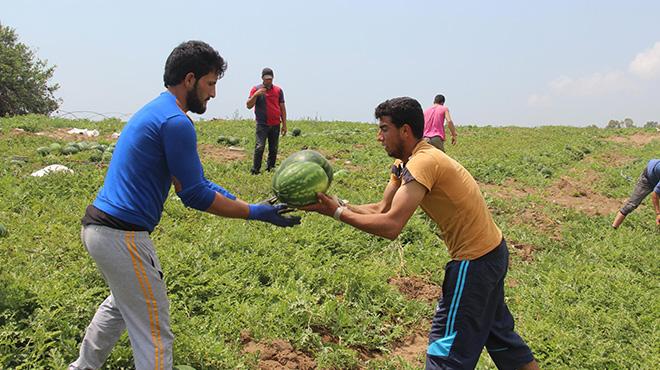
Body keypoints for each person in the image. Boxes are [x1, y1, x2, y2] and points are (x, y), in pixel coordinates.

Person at [69, 41, 300, 370]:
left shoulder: (156, 110)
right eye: (211, 84)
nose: (214, 94)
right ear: (190, 79)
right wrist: (254, 213)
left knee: (120, 305)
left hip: (100, 230)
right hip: (123, 237)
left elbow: (193, 183)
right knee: (154, 333)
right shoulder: (175, 122)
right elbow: (194, 196)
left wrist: (247, 203)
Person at [303, 97, 540, 370]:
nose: (379, 137)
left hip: (474, 263)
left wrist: (336, 213)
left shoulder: (423, 163)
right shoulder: (405, 164)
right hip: (492, 253)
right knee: (503, 342)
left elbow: (391, 225)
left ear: (405, 131)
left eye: (384, 129)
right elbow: (382, 208)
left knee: (444, 354)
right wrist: (339, 204)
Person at [246, 67, 287, 174]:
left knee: (273, 148)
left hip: (275, 124)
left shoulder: (278, 90)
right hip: (262, 124)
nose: (268, 81)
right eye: (266, 79)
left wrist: (284, 124)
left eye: (270, 79)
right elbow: (248, 105)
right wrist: (256, 95)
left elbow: (282, 107)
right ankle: (255, 170)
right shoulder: (256, 89)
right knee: (260, 147)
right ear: (262, 78)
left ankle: (270, 168)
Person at [612, 159, 660, 228]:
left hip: (656, 174)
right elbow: (655, 195)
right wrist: (658, 213)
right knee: (632, 204)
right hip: (648, 178)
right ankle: (614, 227)